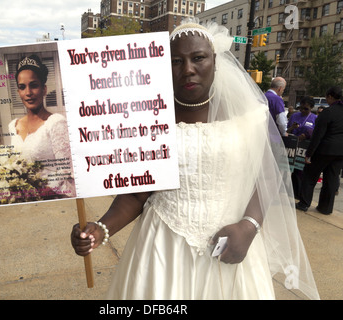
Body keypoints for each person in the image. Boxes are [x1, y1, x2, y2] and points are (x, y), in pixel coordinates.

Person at [71, 20, 319, 300]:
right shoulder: (149, 120)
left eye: (198, 58)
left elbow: (267, 175)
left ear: (215, 60)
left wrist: (249, 226)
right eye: (176, 61)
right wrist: (100, 230)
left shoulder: (248, 115)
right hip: (163, 251)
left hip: (233, 245)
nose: (187, 69)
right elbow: (138, 194)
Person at [9, 54, 76, 199]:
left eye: (34, 85)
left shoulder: (55, 122)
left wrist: (40, 191)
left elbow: (67, 171)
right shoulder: (13, 126)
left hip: (55, 198)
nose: (28, 93)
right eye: (22, 87)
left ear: (44, 89)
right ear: (18, 92)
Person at [296, 86, 343, 214]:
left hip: (324, 150)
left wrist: (309, 153)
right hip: (340, 152)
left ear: (330, 97)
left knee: (310, 176)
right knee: (332, 179)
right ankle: (325, 208)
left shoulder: (328, 112)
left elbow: (318, 135)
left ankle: (304, 203)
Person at [286, 96, 317, 198]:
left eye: (306, 109)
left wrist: (307, 135)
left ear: (311, 108)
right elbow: (286, 131)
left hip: (304, 148)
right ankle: (291, 192)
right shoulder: (294, 116)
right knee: (291, 170)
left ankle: (299, 194)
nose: (303, 111)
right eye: (301, 108)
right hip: (292, 146)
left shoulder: (314, 118)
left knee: (301, 172)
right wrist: (292, 128)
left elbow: (317, 133)